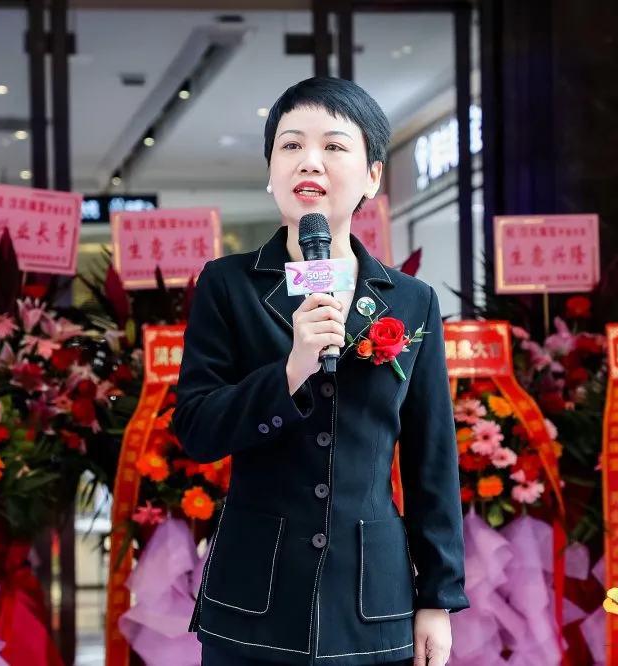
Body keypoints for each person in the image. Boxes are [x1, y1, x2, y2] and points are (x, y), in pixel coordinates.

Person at [172, 76, 468, 666]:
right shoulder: (227, 284)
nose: (310, 160)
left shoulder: (411, 301)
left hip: (371, 602)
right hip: (253, 602)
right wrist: (290, 371)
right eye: (291, 145)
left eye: (333, 146)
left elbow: (431, 457)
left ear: (373, 176)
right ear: (271, 171)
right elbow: (197, 430)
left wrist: (438, 596)